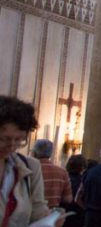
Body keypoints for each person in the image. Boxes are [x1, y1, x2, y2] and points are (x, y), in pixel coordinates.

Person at [0, 96, 49, 226]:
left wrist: (48, 221)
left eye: (18, 140)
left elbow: (38, 211)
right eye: (4, 139)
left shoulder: (30, 167)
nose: (11, 146)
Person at [31, 139, 71, 209]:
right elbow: (68, 199)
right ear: (51, 153)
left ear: (34, 153)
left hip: (30, 213)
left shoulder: (29, 169)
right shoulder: (62, 172)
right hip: (52, 214)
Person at [66, 155, 88, 227]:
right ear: (82, 167)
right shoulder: (83, 181)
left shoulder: (64, 178)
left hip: (64, 213)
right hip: (78, 215)